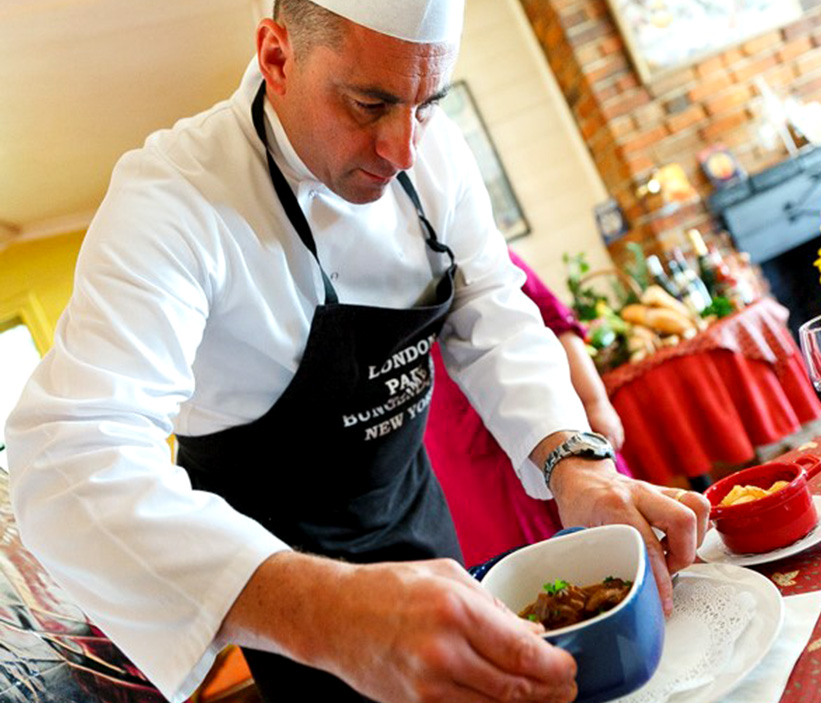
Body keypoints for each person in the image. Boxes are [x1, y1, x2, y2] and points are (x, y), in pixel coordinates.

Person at [4, 2, 710, 702]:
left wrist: (574, 465)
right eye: (368, 103)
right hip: (287, 597)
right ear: (277, 55)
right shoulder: (173, 202)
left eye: (427, 104)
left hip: (423, 529)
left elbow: (487, 302)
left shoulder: (437, 154)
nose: (404, 149)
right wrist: (331, 613)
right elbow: (68, 459)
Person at [426, 249, 631, 567]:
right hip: (466, 468)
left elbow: (557, 323)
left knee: (613, 533)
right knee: (524, 569)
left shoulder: (474, 250)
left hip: (556, 427)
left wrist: (595, 402)